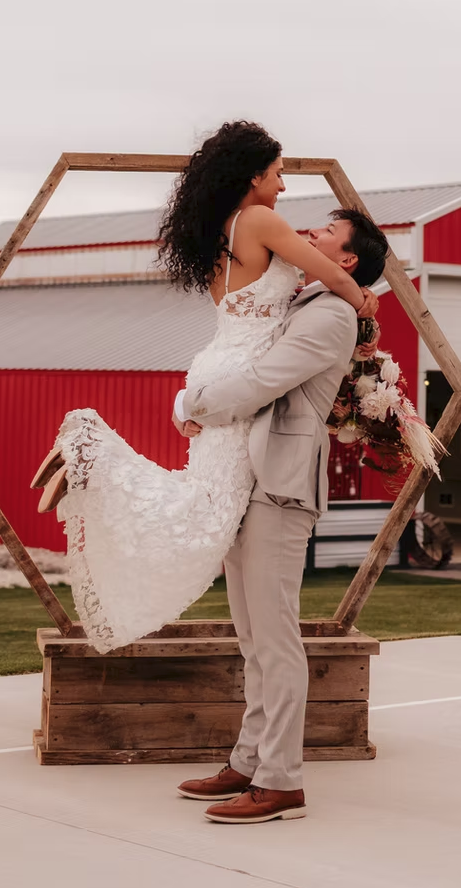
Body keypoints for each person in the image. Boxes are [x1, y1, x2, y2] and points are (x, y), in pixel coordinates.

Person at [31, 120, 383, 658]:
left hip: (217, 363)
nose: (283, 186)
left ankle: (98, 469)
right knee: (210, 512)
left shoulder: (222, 228)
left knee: (211, 504)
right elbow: (332, 275)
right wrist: (363, 300)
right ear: (253, 175)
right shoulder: (261, 219)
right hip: (239, 373)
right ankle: (96, 461)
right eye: (279, 174)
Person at [172, 197, 388, 825]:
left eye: (327, 231)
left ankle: (281, 782)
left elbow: (266, 379)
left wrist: (196, 405)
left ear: (347, 258)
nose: (309, 232)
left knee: (276, 639)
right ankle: (247, 762)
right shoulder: (302, 299)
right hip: (253, 479)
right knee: (252, 639)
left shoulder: (330, 318)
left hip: (281, 487)